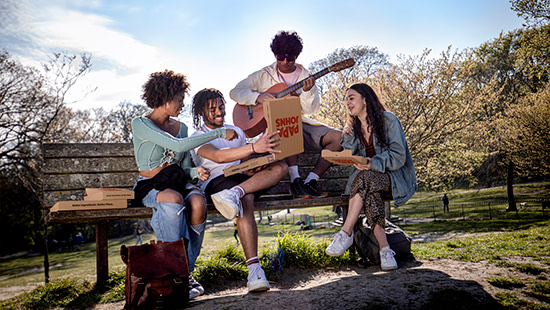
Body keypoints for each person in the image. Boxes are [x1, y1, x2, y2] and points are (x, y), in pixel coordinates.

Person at [131, 70, 238, 300]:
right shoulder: (140, 123)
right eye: (179, 99)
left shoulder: (181, 128)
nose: (182, 104)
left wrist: (196, 171)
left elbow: (184, 165)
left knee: (198, 202)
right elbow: (177, 147)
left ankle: (184, 272)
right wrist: (219, 133)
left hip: (178, 181)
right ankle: (176, 275)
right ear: (165, 97)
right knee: (173, 199)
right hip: (152, 184)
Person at [190, 88, 288, 292]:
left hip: (240, 180)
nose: (219, 112)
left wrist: (254, 165)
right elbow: (218, 157)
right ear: (201, 112)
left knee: (281, 167)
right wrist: (254, 148)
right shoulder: (197, 136)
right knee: (247, 199)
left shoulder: (237, 131)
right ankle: (254, 270)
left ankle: (235, 192)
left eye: (221, 107)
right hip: (216, 182)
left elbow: (243, 162)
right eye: (212, 109)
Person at [230, 30, 342, 199]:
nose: (284, 62)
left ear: (296, 57)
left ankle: (311, 181)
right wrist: (257, 97)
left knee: (339, 137)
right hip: (277, 131)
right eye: (280, 57)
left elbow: (311, 110)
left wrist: (308, 91)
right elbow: (235, 91)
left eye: (290, 58)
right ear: (275, 55)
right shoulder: (264, 75)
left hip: (302, 124)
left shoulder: (305, 76)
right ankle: (295, 180)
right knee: (283, 118)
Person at [325, 83, 417, 271]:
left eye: (351, 98)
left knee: (366, 179)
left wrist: (372, 164)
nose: (347, 103)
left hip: (393, 179)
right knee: (369, 189)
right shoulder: (356, 127)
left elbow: (399, 156)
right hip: (368, 183)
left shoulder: (388, 120)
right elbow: (352, 156)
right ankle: (385, 250)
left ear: (365, 100)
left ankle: (346, 232)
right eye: (346, 100)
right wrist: (347, 137)